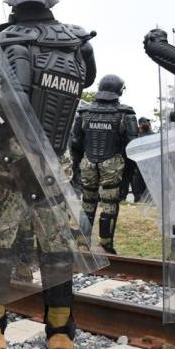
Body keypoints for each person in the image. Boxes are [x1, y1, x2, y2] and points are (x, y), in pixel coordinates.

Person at [0, 0, 97, 349]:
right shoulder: (79, 43)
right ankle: (60, 332)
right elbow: (86, 81)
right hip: (55, 160)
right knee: (56, 244)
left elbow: (9, 102)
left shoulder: (9, 41)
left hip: (11, 160)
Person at [71, 75, 137, 254]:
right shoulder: (126, 113)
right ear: (119, 90)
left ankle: (82, 244)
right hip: (112, 164)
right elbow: (132, 146)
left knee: (87, 203)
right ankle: (106, 244)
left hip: (87, 162)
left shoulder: (84, 112)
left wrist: (76, 166)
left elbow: (75, 142)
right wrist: (128, 176)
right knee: (109, 205)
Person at [131, 117, 154, 202]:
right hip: (139, 163)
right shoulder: (136, 135)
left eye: (148, 122)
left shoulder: (152, 134)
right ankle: (138, 197)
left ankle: (147, 199)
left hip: (149, 163)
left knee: (146, 181)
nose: (147, 124)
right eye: (145, 122)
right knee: (137, 181)